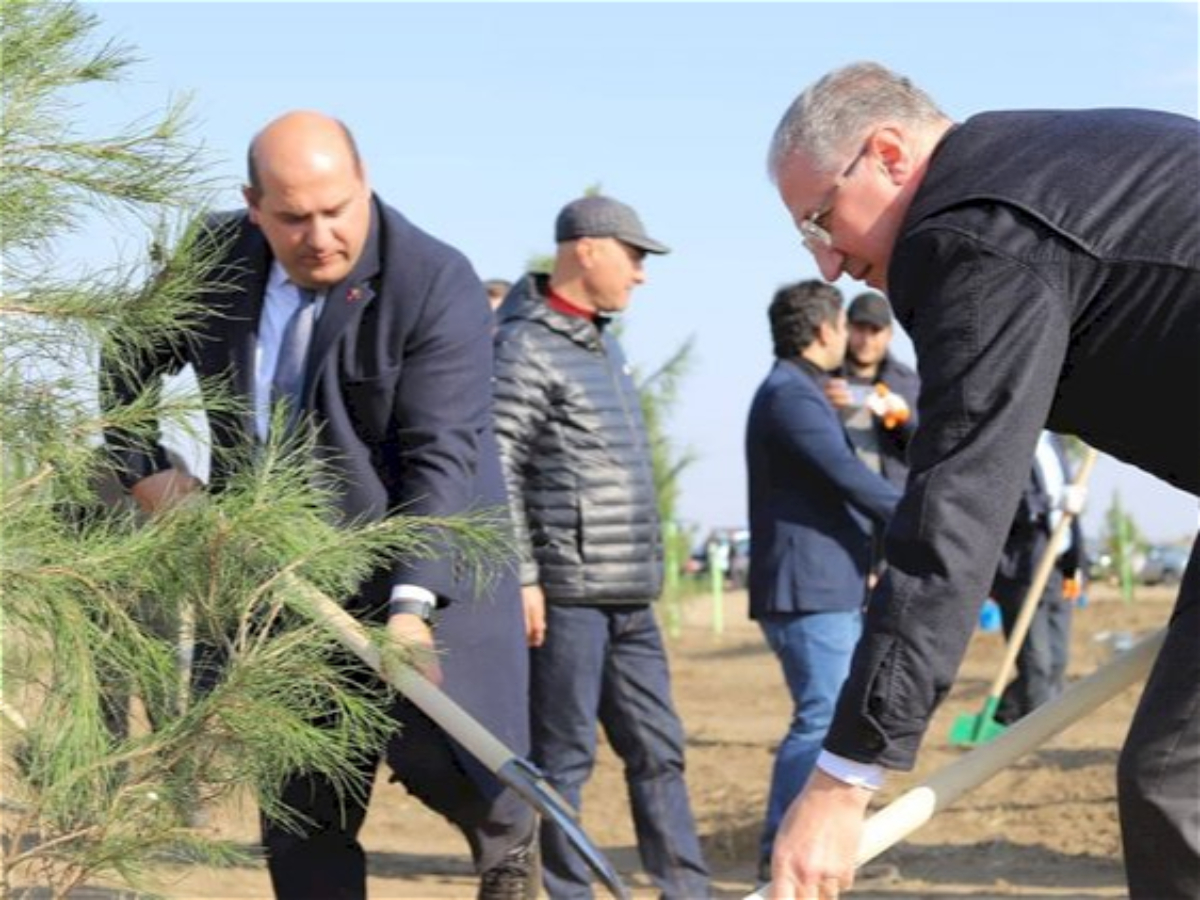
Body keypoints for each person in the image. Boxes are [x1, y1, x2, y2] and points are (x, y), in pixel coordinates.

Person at [765, 61, 1199, 900]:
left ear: (888, 153)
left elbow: (955, 512)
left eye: (821, 218)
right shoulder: (1041, 161)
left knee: (1182, 785)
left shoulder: (967, 233)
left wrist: (846, 774)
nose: (827, 264)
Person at [103, 111, 537, 900]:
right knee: (304, 823)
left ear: (364, 184)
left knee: (477, 793)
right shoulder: (215, 262)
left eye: (337, 209)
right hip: (285, 591)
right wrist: (148, 472)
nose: (319, 235)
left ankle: (509, 868)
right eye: (293, 217)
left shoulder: (433, 280)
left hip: (427, 582)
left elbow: (441, 459)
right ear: (253, 206)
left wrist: (408, 607)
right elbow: (123, 363)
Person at [492, 195, 711, 900]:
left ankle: (686, 890)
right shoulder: (524, 343)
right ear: (588, 249)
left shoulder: (602, 342)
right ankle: (566, 893)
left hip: (630, 593)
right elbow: (498, 463)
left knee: (659, 750)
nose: (642, 274)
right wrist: (524, 576)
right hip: (567, 596)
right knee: (564, 761)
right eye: (635, 255)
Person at [744, 280, 900, 882]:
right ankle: (779, 856)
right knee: (821, 716)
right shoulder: (791, 396)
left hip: (824, 584)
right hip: (807, 589)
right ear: (823, 331)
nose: (847, 337)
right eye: (842, 326)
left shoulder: (802, 392)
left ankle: (799, 852)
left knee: (825, 714)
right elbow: (847, 477)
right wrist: (925, 517)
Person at [991, 431, 1087, 724]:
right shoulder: (1007, 441)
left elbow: (1071, 507)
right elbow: (999, 500)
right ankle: (1040, 730)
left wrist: (1077, 563)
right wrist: (1052, 501)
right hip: (1022, 567)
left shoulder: (1054, 441)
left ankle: (1005, 716)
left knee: (1057, 660)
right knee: (1037, 662)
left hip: (1060, 564)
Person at [824, 291, 919, 490]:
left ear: (889, 334)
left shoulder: (908, 382)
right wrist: (824, 405)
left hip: (892, 500)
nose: (866, 340)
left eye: (874, 330)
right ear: (846, 328)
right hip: (839, 499)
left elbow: (930, 445)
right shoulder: (824, 378)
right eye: (859, 329)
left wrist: (903, 418)